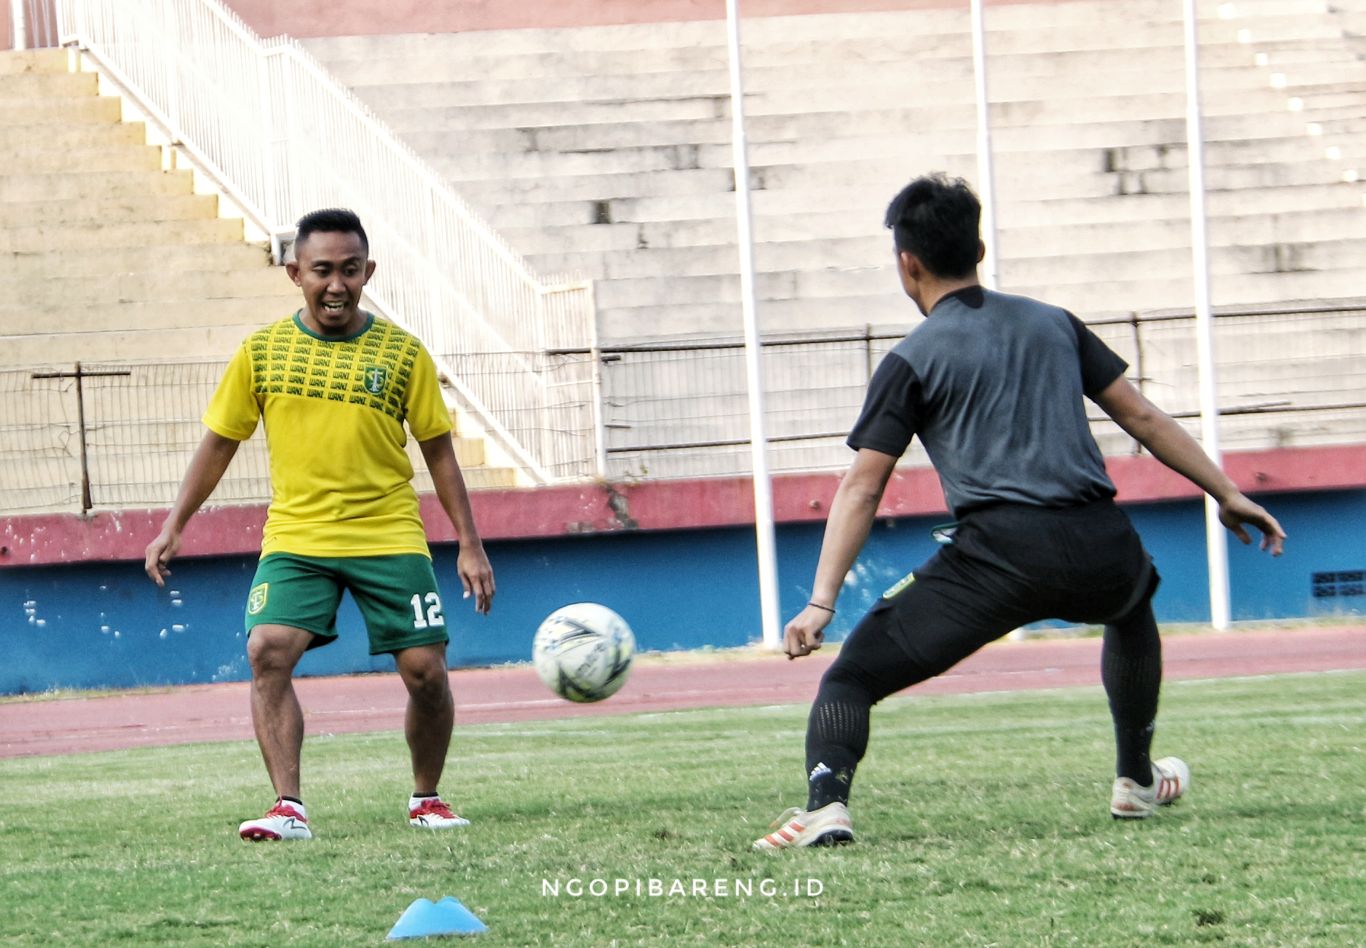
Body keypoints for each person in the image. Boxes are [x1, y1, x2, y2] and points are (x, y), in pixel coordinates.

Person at [753, 174, 1285, 850]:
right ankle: (1134, 780)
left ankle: (826, 805)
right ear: (977, 246)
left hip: (996, 557)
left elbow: (863, 486)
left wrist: (822, 602)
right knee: (1130, 604)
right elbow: (1141, 416)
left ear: (906, 263)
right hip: (1098, 538)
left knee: (853, 677)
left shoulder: (911, 358)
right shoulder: (1055, 323)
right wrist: (1227, 492)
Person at [144, 208, 495, 842]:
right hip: (298, 538)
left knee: (427, 672)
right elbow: (219, 443)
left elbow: (438, 450)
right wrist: (175, 524)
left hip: (388, 534)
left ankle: (427, 799)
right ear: (294, 274)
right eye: (322, 271)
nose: (336, 285)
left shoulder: (402, 352)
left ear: (369, 273)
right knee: (266, 651)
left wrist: (470, 544)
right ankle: (288, 808)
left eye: (350, 270)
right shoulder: (263, 352)